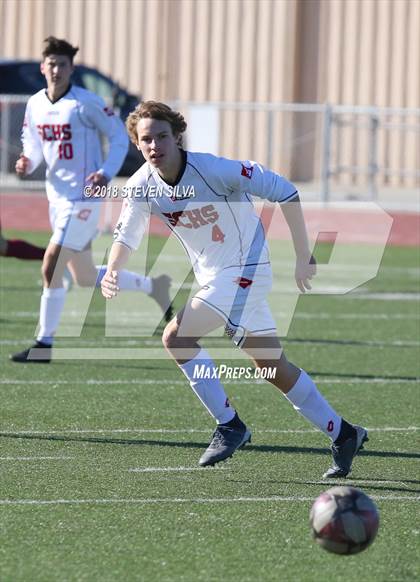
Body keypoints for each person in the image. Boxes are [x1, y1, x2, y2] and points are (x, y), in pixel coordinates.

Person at [100, 101, 368, 479]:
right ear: (137, 145)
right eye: (146, 139)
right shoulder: (142, 186)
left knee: (177, 337)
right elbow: (126, 234)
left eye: (162, 136)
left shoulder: (214, 169)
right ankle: (344, 434)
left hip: (246, 270)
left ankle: (230, 425)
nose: (155, 145)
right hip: (214, 277)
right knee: (273, 368)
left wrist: (303, 254)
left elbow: (286, 191)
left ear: (178, 136)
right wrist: (113, 270)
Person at [11, 38, 172, 364]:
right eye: (51, 63)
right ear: (43, 67)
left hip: (85, 197)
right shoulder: (35, 104)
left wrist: (105, 172)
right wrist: (28, 161)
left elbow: (116, 135)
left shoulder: (86, 103)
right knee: (84, 276)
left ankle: (44, 344)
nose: (56, 69)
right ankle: (153, 286)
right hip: (57, 197)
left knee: (52, 263)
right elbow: (35, 143)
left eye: (63, 64)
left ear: (72, 68)